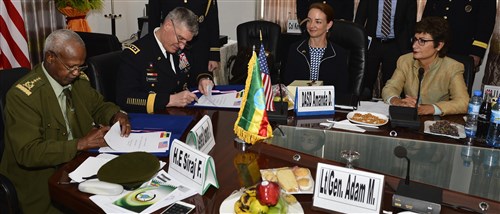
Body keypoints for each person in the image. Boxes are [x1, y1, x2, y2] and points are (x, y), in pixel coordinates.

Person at [0, 29, 131, 213]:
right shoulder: (23, 97)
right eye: (71, 66)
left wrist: (117, 114)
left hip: (78, 169)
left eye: (81, 66)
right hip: (43, 186)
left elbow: (98, 106)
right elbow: (28, 152)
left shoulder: (77, 82)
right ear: (50, 58)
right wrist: (79, 144)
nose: (76, 72)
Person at [117, 7, 214, 113]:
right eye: (180, 38)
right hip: (152, 120)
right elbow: (126, 99)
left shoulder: (180, 48)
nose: (182, 46)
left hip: (180, 115)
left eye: (186, 41)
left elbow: (194, 70)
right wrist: (169, 100)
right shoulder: (135, 55)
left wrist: (202, 79)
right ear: (168, 25)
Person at [382, 17, 469, 116]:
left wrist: (431, 108)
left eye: (422, 41)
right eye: (415, 39)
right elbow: (390, 88)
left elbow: (464, 102)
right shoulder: (405, 60)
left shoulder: (452, 67)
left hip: (435, 123)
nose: (414, 45)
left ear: (439, 45)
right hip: (408, 119)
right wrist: (397, 101)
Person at [354, 0, 416, 100]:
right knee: (366, 80)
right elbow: (359, 19)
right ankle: (362, 108)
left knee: (391, 81)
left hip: (395, 45)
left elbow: (411, 23)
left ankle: (389, 109)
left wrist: (411, 46)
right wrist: (357, 43)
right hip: (373, 44)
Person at [284, 3, 349, 94]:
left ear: (329, 25)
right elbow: (288, 85)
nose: (311, 25)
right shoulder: (295, 49)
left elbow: (342, 90)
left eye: (318, 22)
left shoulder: (338, 53)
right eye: (309, 20)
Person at [148, 0, 220, 75]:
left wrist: (214, 55)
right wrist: (153, 49)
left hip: (199, 45)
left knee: (201, 79)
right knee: (173, 78)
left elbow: (212, 21)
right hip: (173, 45)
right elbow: (154, 18)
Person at [423, 0, 496, 68]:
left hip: (463, 50)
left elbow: (486, 23)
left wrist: (477, 52)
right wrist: (422, 41)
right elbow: (428, 15)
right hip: (434, 46)